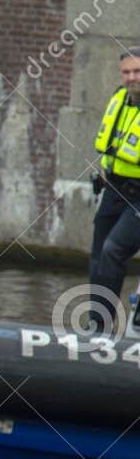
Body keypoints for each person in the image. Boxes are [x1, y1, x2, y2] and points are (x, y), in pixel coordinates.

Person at [88, 48, 140, 331]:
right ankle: (95, 326)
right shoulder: (119, 99)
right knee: (97, 257)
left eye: (137, 72)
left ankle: (100, 327)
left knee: (113, 249)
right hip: (115, 189)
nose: (131, 78)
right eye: (127, 72)